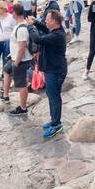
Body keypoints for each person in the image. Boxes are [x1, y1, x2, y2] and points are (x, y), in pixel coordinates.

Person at [27, 9, 68, 139]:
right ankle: (54, 120)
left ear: (54, 21)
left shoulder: (57, 36)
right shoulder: (56, 31)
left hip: (55, 71)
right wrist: (37, 23)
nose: (45, 21)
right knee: (51, 96)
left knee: (54, 97)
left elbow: (38, 39)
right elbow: (45, 30)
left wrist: (30, 27)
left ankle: (57, 124)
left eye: (47, 19)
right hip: (52, 69)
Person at [7, 2, 33, 115]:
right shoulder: (21, 26)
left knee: (21, 84)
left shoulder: (21, 28)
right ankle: (22, 106)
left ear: (14, 13)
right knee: (20, 83)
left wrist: (16, 62)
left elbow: (22, 48)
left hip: (22, 61)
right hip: (19, 59)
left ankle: (23, 108)